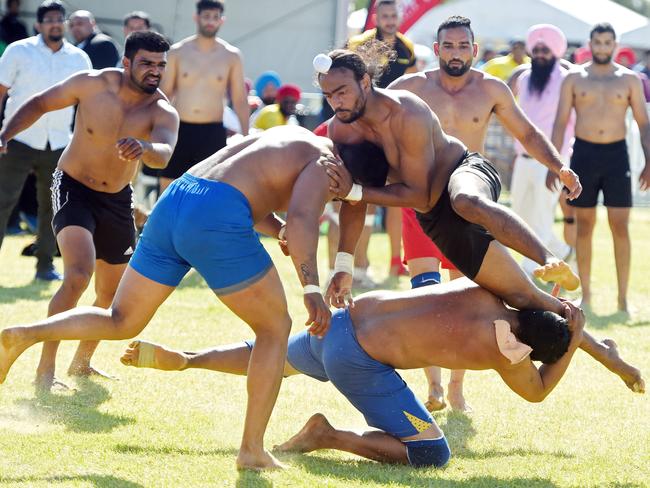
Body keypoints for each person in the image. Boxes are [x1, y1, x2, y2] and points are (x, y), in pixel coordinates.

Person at [0, 126, 392, 470]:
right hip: (215, 214)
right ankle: (252, 450)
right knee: (276, 327)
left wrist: (277, 229)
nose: (336, 198)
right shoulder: (326, 164)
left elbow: (241, 187)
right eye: (341, 195)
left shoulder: (287, 137)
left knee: (121, 319)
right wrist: (311, 290)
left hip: (179, 198)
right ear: (344, 170)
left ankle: (25, 333)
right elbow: (305, 220)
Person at [317, 46, 622, 380]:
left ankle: (547, 258)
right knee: (524, 297)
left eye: (341, 92)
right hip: (436, 218)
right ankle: (605, 352)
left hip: (464, 172)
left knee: (465, 200)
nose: (335, 103)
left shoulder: (408, 110)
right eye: (328, 95)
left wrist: (354, 190)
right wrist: (343, 265)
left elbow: (410, 191)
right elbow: (354, 201)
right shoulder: (341, 130)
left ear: (364, 81)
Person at [118, 280, 643, 467]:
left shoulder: (494, 289)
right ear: (537, 346)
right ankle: (328, 435)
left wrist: (592, 343)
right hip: (357, 359)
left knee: (267, 355)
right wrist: (576, 347)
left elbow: (550, 307)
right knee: (431, 452)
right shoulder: (509, 352)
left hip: (342, 323)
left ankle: (187, 359)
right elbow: (538, 393)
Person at [386, 16, 575, 412]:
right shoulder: (409, 88)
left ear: (474, 48)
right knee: (425, 293)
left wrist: (559, 166)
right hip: (420, 201)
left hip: (466, 197)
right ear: (436, 50)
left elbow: (527, 133)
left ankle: (456, 388)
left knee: (467, 299)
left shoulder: (491, 88)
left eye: (463, 46)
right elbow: (371, 123)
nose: (456, 54)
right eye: (448, 47)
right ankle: (433, 388)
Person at [0, 30, 179, 391]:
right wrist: (4, 134)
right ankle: (44, 371)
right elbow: (39, 103)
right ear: (126, 62)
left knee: (110, 295)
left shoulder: (162, 110)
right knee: (78, 275)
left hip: (116, 199)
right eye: (146, 63)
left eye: (160, 65)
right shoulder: (93, 84)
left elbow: (164, 152)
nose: (154, 72)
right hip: (73, 186)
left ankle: (81, 364)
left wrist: (144, 146)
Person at [551, 23, 650, 312]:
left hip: (617, 156)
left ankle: (622, 299)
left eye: (608, 43)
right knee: (584, 226)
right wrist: (554, 164)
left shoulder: (630, 79)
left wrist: (649, 161)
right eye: (598, 42)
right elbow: (559, 123)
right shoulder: (574, 78)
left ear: (616, 45)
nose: (603, 48)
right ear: (590, 44)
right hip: (584, 155)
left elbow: (644, 125)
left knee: (620, 225)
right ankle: (588, 296)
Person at [0, 0, 91, 283]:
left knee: (52, 207)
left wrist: (84, 142)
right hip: (17, 140)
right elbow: (1, 91)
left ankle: (44, 266)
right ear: (38, 24)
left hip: (60, 143)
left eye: (59, 19)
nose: (55, 23)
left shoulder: (79, 59)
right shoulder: (19, 50)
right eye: (49, 19)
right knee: (3, 202)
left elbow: (87, 104)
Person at [347, 0, 418, 277]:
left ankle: (395, 261)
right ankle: (360, 265)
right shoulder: (360, 43)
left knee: (401, 196)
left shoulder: (406, 47)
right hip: (366, 129)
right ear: (377, 17)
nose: (390, 20)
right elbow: (348, 82)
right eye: (385, 15)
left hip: (397, 129)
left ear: (398, 17)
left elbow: (413, 85)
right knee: (365, 196)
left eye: (393, 16)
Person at [159, 0, 249, 193]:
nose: (210, 22)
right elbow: (164, 94)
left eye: (215, 17)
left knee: (209, 190)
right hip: (179, 129)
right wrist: (156, 126)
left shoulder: (231, 56)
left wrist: (246, 136)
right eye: (206, 16)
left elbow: (240, 99)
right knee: (168, 188)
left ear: (221, 21)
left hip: (212, 131)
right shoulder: (178, 52)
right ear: (196, 17)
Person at [510, 24, 575, 277]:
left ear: (556, 51)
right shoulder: (525, 79)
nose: (539, 54)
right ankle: (564, 252)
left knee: (541, 216)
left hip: (553, 159)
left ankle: (531, 272)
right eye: (536, 49)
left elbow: (565, 126)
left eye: (545, 49)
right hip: (523, 158)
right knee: (519, 214)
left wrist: (556, 166)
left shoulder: (567, 79)